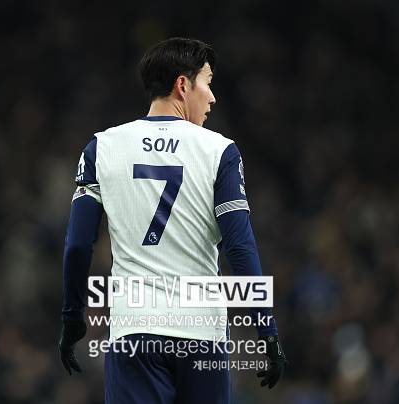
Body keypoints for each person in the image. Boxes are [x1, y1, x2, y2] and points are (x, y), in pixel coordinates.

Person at [59, 37, 287, 403]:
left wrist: (73, 315)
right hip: (202, 334)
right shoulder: (220, 152)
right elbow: (239, 246)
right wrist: (267, 331)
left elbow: (78, 245)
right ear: (183, 84)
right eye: (207, 83)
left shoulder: (101, 148)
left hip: (134, 331)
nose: (212, 98)